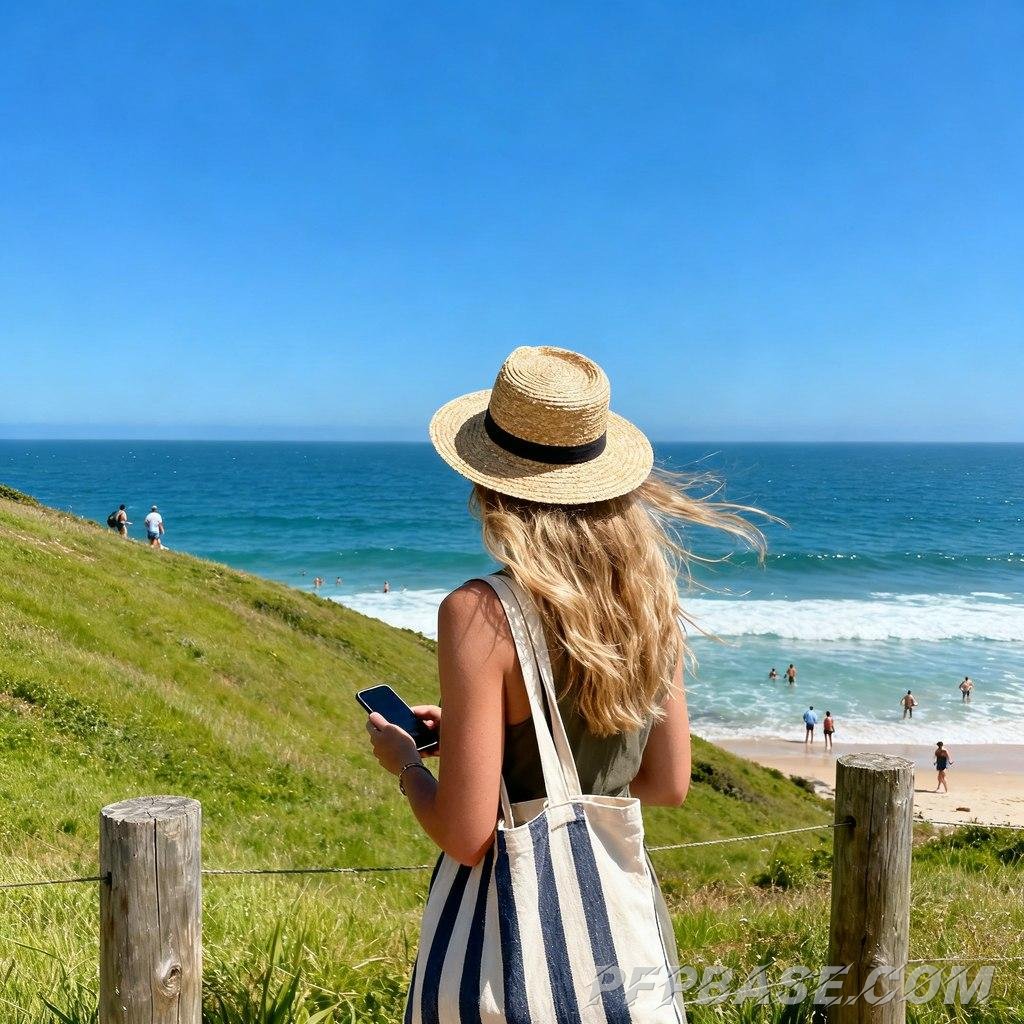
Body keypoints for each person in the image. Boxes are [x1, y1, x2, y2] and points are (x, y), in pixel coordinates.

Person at [364, 345, 764, 1019]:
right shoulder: (649, 601)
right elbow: (667, 784)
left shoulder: (480, 611)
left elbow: (466, 836)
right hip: (618, 955)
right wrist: (480, 743)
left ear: (490, 482)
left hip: (513, 962)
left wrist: (406, 764)